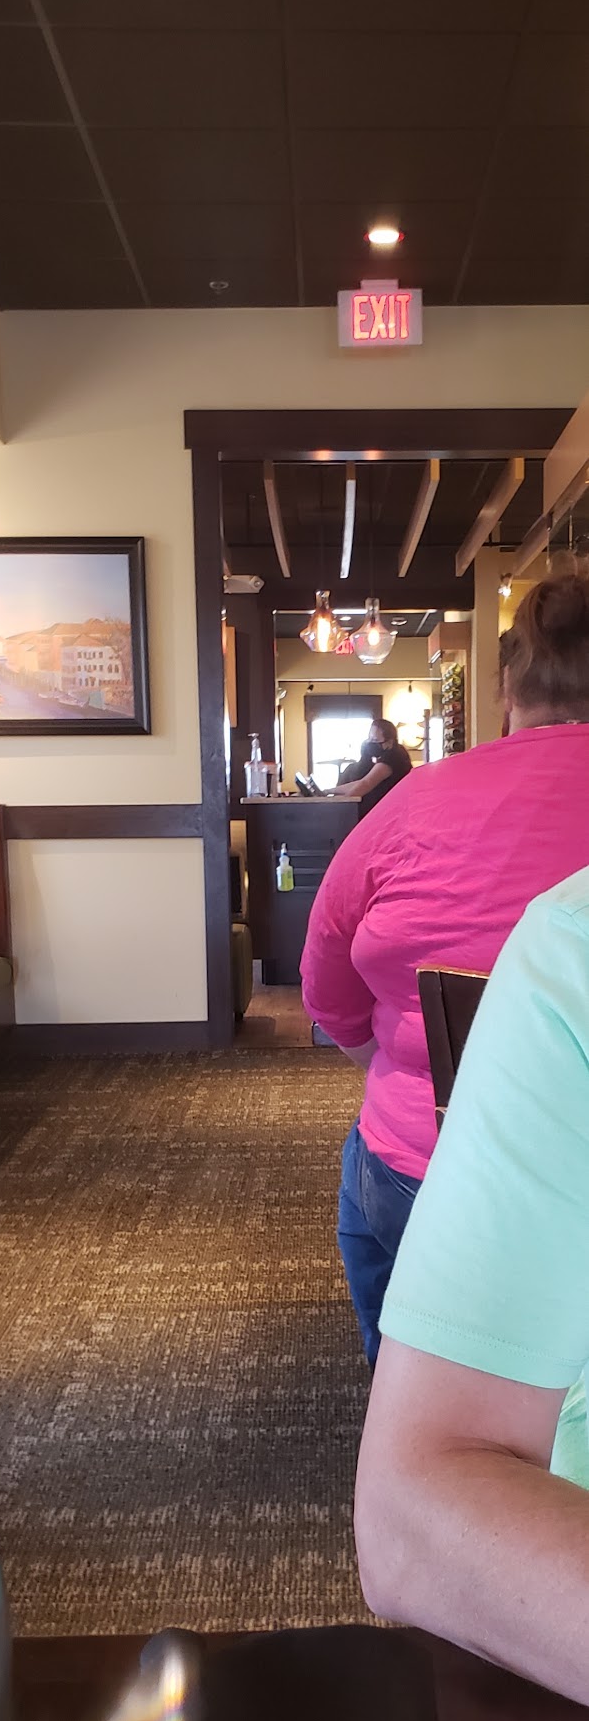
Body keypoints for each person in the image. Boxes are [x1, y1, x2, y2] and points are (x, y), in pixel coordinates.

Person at [300, 564, 589, 1369]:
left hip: (424, 1169)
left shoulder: (417, 800)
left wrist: (396, 1061)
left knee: (375, 1208)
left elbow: (326, 982)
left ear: (506, 689)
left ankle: (413, 1405)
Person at [355, 865, 589, 1707]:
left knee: (370, 1185)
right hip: (508, 1167)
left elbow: (328, 1000)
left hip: (428, 1154)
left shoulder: (402, 816)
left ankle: (382, 1359)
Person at [332, 718, 412, 819]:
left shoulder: (394, 756)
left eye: (375, 740)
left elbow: (366, 783)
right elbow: (359, 782)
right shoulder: (387, 755)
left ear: (389, 742)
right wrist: (330, 791)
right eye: (369, 739)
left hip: (394, 815)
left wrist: (341, 804)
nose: (370, 743)